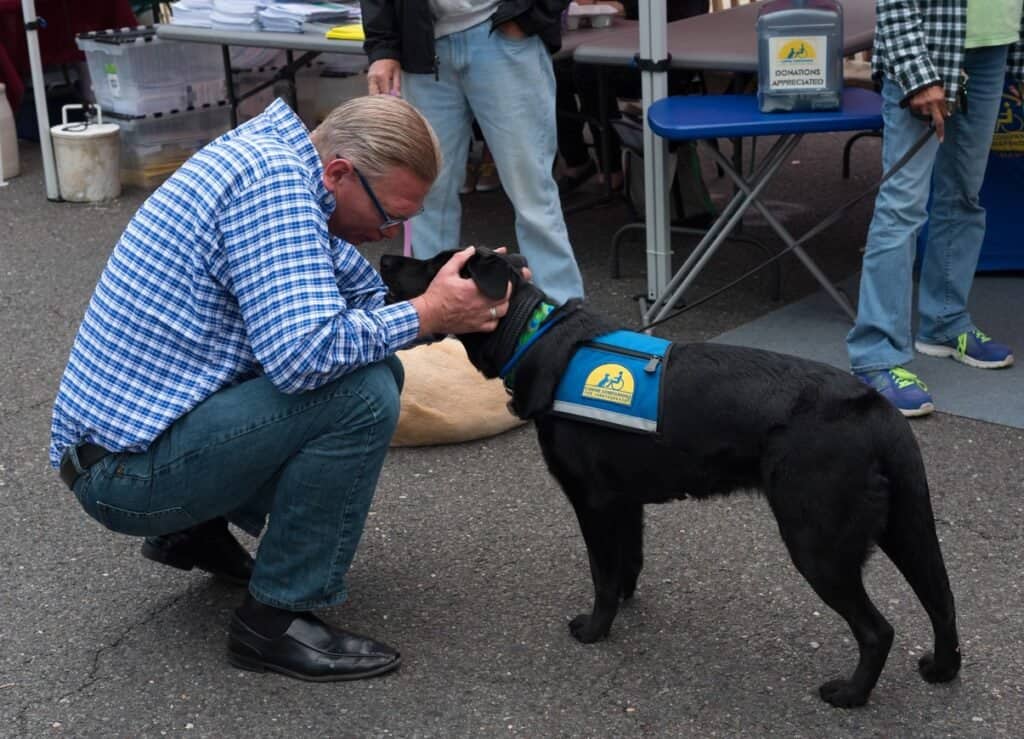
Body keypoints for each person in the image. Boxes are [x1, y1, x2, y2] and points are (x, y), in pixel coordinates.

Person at [50, 95, 514, 682]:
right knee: (362, 393)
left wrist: (452, 293)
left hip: (128, 449)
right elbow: (306, 356)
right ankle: (273, 622)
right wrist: (428, 313)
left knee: (372, 368)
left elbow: (367, 305)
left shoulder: (283, 165)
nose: (388, 232)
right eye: (390, 215)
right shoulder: (273, 186)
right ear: (340, 172)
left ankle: (190, 531)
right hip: (123, 476)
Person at [848, 0, 1022, 416]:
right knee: (902, 209)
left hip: (994, 46)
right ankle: (876, 355)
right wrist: (915, 72)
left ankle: (945, 322)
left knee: (963, 195)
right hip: (929, 46)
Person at [361, 0, 585, 305]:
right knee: (426, 193)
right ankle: (431, 315)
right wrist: (383, 47)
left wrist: (530, 17)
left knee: (531, 191)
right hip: (427, 45)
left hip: (499, 34)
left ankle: (563, 313)